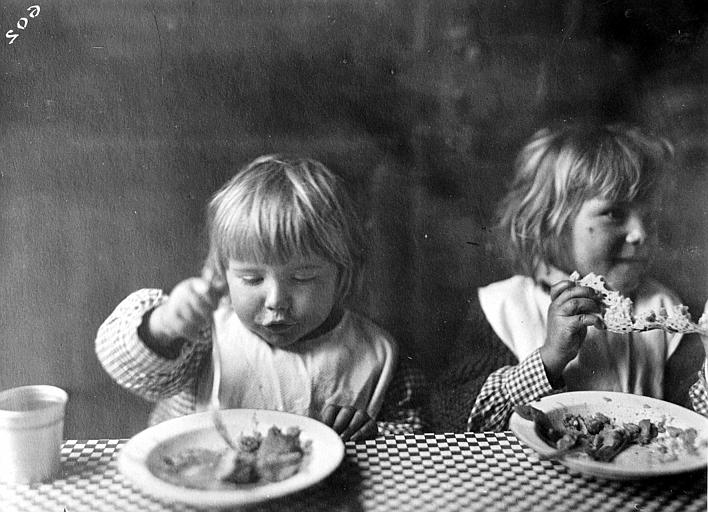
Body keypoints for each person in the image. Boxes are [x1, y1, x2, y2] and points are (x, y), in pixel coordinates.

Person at [96, 155, 424, 441]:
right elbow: (127, 366)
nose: (276, 300)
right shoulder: (205, 334)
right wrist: (165, 324)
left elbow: (415, 434)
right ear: (223, 273)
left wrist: (372, 431)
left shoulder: (372, 351)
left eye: (303, 278)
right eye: (252, 279)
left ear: (343, 274)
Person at [426, 122, 708, 433]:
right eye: (614, 213)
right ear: (551, 224)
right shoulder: (504, 307)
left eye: (650, 217)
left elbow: (696, 421)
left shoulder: (662, 308)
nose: (640, 233)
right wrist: (549, 359)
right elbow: (451, 417)